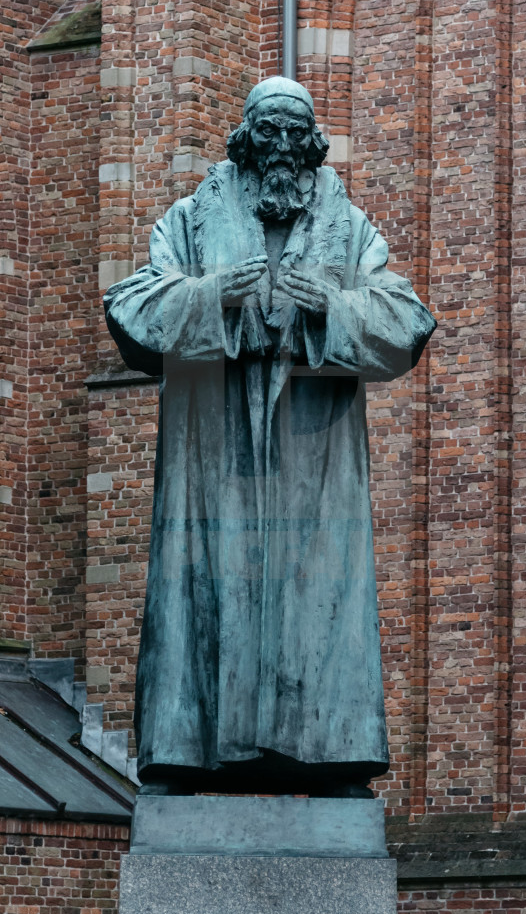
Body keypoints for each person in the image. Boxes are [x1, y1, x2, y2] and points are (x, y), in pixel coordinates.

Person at [104, 76, 435, 796]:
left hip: (315, 471)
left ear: (311, 145)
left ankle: (327, 755)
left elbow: (408, 322)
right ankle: (192, 753)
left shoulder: (348, 231)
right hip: (212, 463)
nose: (281, 146)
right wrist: (210, 298)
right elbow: (129, 310)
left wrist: (333, 311)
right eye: (268, 131)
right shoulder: (192, 221)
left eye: (295, 133)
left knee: (319, 604)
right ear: (246, 139)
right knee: (203, 599)